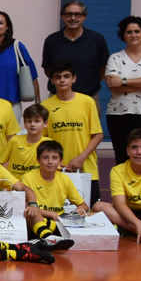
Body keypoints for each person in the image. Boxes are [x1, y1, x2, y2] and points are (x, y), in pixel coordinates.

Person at [103, 16, 141, 166]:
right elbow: (112, 85)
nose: (133, 35)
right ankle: (122, 189)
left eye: (137, 31)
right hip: (119, 114)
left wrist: (123, 81)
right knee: (122, 157)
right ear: (123, 35)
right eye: (129, 32)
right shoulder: (115, 58)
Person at [40, 61, 103, 199]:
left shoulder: (87, 102)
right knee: (60, 213)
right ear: (52, 80)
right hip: (57, 169)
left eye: (66, 76)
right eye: (58, 77)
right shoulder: (45, 106)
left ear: (74, 78)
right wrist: (54, 162)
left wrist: (81, 158)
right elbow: (42, 141)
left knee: (92, 211)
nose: (62, 80)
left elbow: (98, 135)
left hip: (86, 168)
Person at [41, 0, 110, 99]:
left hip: (89, 97)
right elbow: (48, 69)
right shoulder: (51, 40)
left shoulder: (97, 40)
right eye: (69, 14)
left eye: (77, 14)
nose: (73, 18)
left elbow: (103, 68)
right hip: (58, 97)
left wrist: (88, 85)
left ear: (84, 17)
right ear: (62, 17)